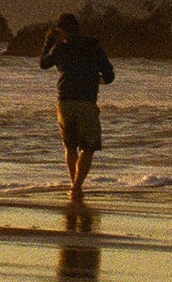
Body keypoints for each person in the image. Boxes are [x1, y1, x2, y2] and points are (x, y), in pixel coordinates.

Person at [40, 12, 115, 199]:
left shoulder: (60, 48)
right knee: (88, 147)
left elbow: (43, 64)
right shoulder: (94, 46)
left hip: (65, 101)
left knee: (70, 146)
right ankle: (76, 186)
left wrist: (50, 42)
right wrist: (96, 80)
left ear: (61, 30)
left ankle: (75, 186)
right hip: (87, 101)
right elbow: (109, 76)